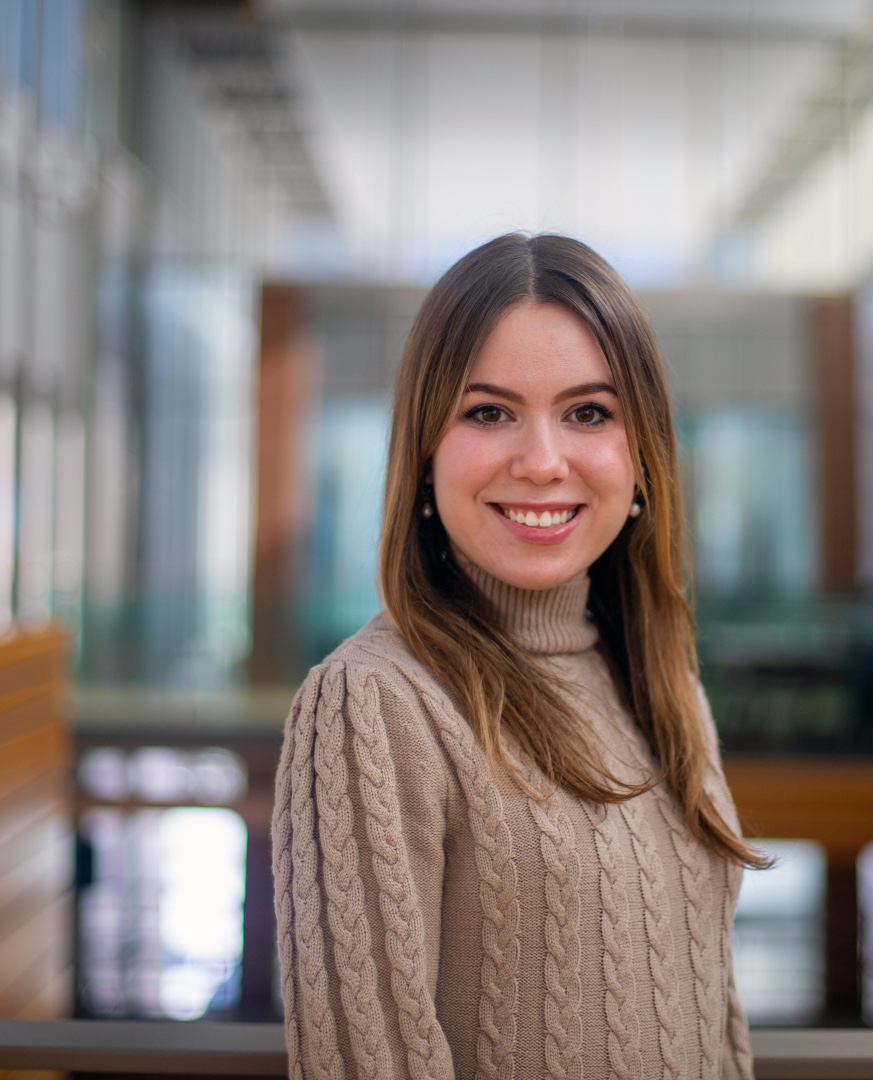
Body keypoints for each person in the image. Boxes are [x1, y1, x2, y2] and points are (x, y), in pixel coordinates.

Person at [272, 233, 766, 1080]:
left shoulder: (659, 682)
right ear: (425, 457)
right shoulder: (370, 703)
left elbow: (713, 1024)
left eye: (589, 413)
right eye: (488, 412)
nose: (542, 462)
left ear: (641, 454)